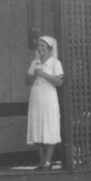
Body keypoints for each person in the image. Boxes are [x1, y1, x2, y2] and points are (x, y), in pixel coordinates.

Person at [26, 35, 64, 170]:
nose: (40, 48)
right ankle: (42, 161)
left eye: (43, 46)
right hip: (36, 98)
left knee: (49, 128)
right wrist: (33, 75)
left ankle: (48, 161)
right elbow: (27, 81)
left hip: (49, 99)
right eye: (39, 46)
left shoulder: (55, 63)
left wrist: (43, 74)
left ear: (49, 48)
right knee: (37, 129)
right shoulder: (34, 62)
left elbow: (59, 82)